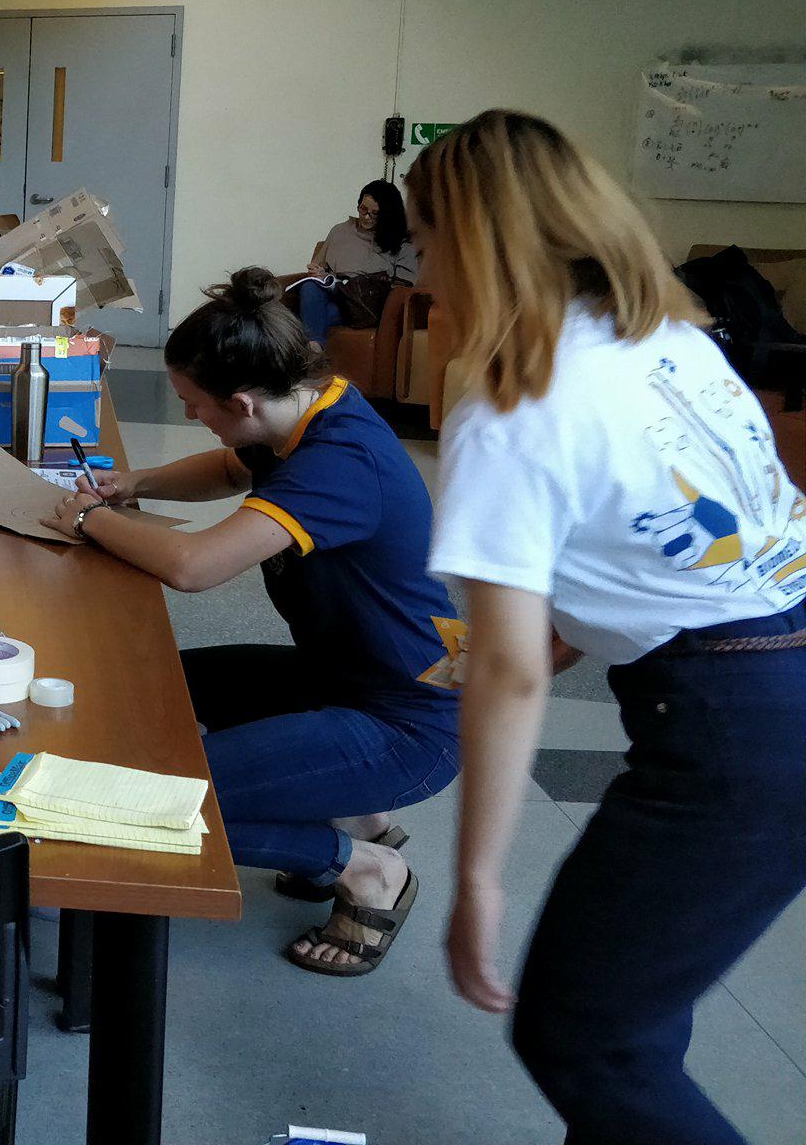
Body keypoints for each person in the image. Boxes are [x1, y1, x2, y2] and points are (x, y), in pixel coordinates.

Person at [411, 111, 806, 1143]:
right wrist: (553, 633)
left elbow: (505, 677)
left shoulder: (510, 407)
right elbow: (646, 542)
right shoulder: (669, 340)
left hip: (734, 734)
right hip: (778, 675)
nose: (421, 273)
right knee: (635, 1014)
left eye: (427, 239)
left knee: (585, 1038)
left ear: (476, 242)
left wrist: (476, 883)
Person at [43, 267, 460, 974]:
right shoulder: (306, 408)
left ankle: (363, 867)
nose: (190, 417)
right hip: (347, 678)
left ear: (239, 400)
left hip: (407, 723)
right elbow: (233, 469)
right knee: (158, 687)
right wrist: (136, 484)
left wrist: (91, 518)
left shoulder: (340, 462)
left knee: (163, 796)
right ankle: (355, 809)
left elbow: (194, 568)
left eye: (195, 405)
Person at [296, 178, 417, 344]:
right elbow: (319, 266)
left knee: (304, 317)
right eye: (363, 209)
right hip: (336, 292)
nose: (366, 217)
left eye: (375, 214)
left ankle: (312, 349)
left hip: (366, 304)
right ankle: (314, 349)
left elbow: (403, 288)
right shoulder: (340, 230)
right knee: (309, 287)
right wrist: (318, 272)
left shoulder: (402, 242)